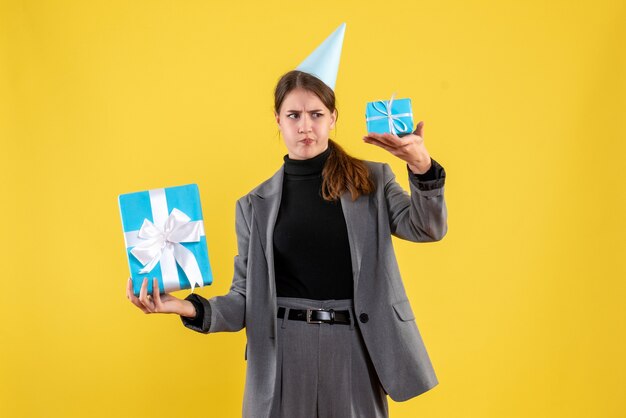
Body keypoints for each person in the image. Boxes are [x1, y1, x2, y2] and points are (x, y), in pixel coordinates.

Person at [127, 69, 447, 417]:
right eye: (294, 115)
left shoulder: (371, 180)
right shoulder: (253, 205)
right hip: (281, 352)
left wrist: (421, 165)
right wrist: (185, 307)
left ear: (333, 117)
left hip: (356, 347)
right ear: (278, 120)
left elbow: (425, 227)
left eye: (316, 114)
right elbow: (243, 300)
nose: (305, 126)